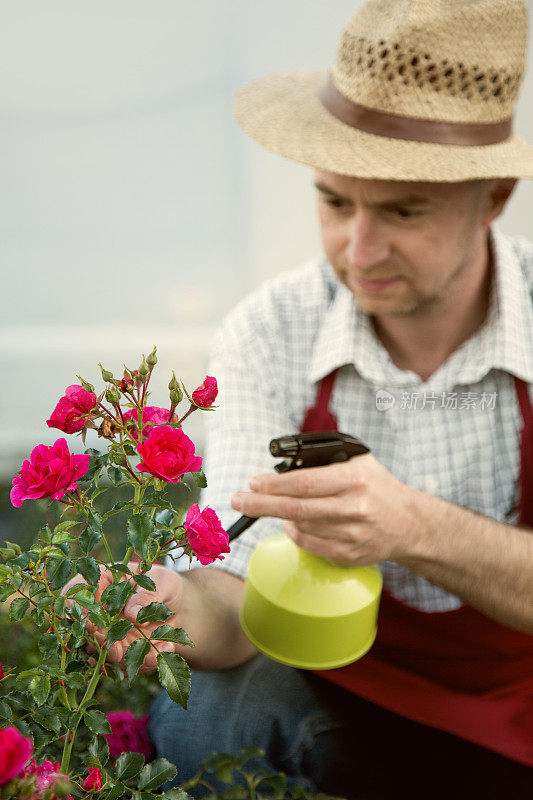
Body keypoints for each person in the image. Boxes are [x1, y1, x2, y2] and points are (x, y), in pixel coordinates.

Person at [92, 1, 533, 797]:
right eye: (334, 202)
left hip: (518, 705)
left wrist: (413, 527)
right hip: (334, 691)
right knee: (204, 716)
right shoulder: (273, 330)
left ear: (492, 196)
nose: (356, 252)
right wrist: (173, 607)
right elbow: (230, 598)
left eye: (402, 211)